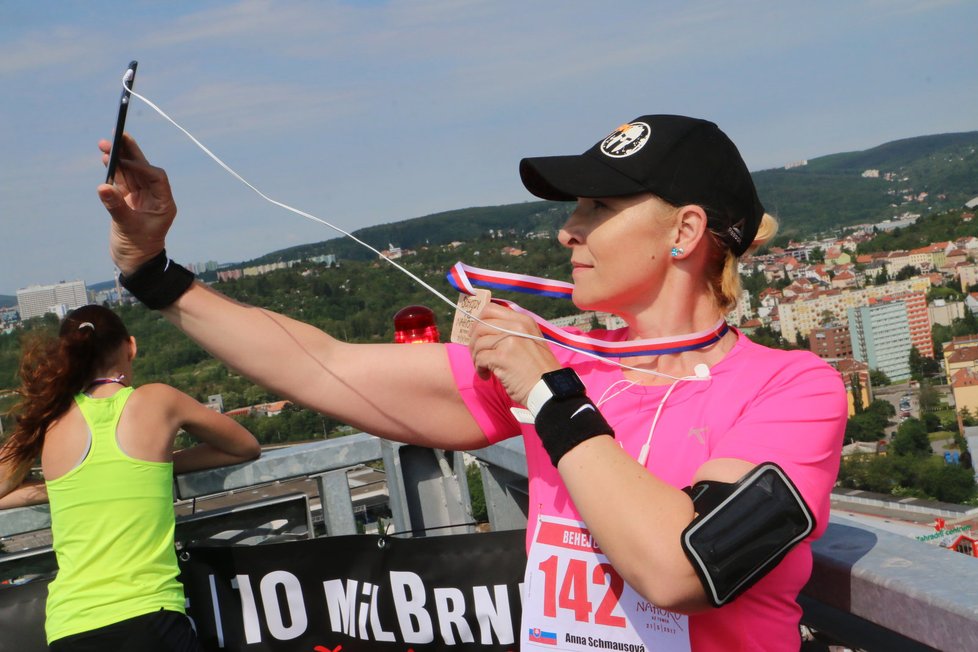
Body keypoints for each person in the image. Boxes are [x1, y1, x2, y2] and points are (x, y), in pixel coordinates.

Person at [96, 115, 847, 651]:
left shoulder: (792, 389)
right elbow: (324, 365)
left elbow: (681, 565)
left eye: (600, 206)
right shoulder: (564, 361)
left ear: (683, 234)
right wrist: (153, 273)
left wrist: (549, 392)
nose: (568, 229)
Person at [0, 304, 261, 651]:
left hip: (71, 628)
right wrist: (156, 465)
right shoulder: (158, 399)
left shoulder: (50, 416)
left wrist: (64, 488)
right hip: (151, 618)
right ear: (131, 346)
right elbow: (244, 446)